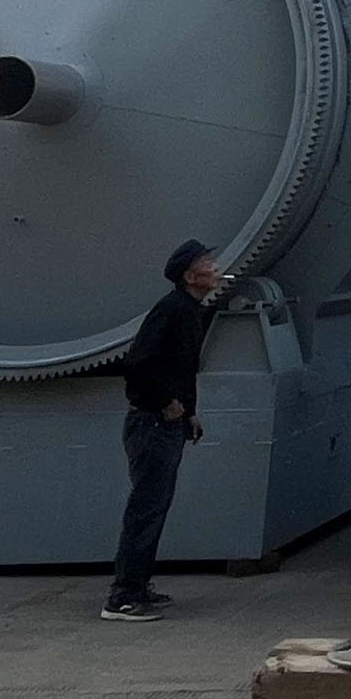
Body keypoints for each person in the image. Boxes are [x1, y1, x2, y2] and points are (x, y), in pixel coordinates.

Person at [102, 239, 225, 623]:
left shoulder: (189, 311)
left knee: (154, 508)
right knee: (145, 508)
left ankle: (138, 587)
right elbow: (140, 363)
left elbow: (180, 369)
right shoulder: (171, 310)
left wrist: (189, 412)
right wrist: (166, 403)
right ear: (190, 276)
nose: (215, 266)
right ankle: (122, 597)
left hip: (166, 423)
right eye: (207, 262)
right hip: (152, 424)